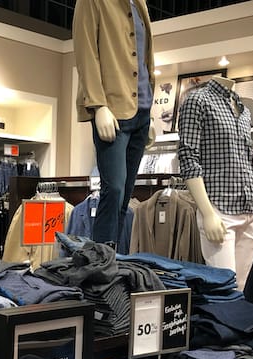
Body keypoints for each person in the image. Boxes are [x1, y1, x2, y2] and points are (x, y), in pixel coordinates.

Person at [73, 0, 155, 250]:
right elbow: (86, 52)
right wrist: (98, 105)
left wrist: (149, 112)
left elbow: (144, 60)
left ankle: (112, 257)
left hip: (141, 112)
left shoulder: (139, 3)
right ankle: (100, 260)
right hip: (112, 111)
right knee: (114, 190)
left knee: (124, 197)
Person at [177, 75, 253, 291]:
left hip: (251, 209)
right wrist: (208, 213)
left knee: (239, 289)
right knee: (223, 291)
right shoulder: (197, 101)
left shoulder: (243, 110)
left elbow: (248, 160)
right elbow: (188, 158)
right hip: (219, 209)